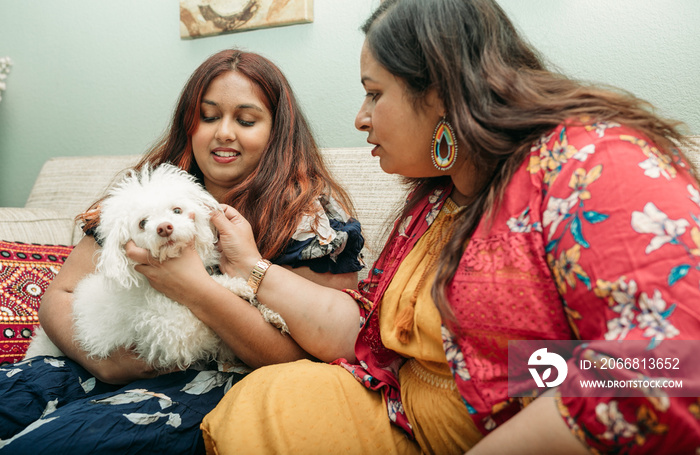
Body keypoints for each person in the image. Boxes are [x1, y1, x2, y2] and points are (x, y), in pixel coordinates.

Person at [200, 1, 700, 454]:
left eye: (374, 94)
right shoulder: (441, 192)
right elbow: (365, 332)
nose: (360, 118)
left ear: (439, 92)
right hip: (398, 411)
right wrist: (252, 268)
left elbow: (669, 367)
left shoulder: (595, 164)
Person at [0, 49, 364, 453]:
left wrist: (193, 287)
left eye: (246, 120)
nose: (224, 132)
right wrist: (101, 360)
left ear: (277, 131)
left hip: (211, 384)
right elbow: (60, 294)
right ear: (188, 125)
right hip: (92, 362)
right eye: (208, 117)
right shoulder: (146, 193)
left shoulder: (308, 216)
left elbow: (312, 356)